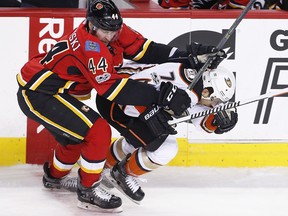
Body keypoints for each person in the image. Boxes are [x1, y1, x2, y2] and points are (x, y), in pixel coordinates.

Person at [16, 0, 225, 212]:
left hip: (55, 91)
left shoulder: (113, 29)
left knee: (75, 140)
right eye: (105, 31)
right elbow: (113, 89)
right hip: (39, 94)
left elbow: (146, 50)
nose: (110, 36)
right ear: (91, 25)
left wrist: (189, 58)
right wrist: (160, 95)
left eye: (114, 30)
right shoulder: (90, 47)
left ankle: (53, 178)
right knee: (97, 131)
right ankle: (87, 190)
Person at [96, 61, 238, 204]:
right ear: (207, 91)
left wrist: (218, 123)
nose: (215, 104)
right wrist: (152, 115)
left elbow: (200, 117)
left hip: (122, 99)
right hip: (116, 99)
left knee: (145, 137)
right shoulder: (184, 80)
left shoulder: (196, 87)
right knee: (166, 147)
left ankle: (102, 168)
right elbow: (128, 89)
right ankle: (122, 174)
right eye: (216, 101)